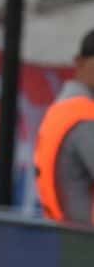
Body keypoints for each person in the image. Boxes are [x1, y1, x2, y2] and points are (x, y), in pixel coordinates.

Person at [34, 29, 94, 226]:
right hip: (84, 244)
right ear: (80, 62)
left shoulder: (61, 109)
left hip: (61, 238)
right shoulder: (85, 117)